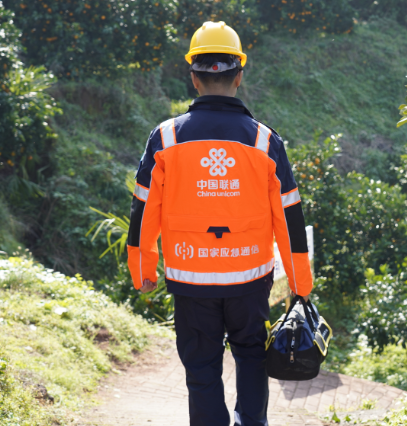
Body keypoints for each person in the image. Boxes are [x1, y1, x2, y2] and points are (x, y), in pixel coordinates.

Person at [126, 21, 313, 426]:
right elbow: (290, 219)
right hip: (249, 280)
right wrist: (301, 283)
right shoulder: (265, 142)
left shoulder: (167, 139)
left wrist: (142, 269)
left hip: (191, 281)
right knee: (250, 355)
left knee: (201, 368)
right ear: (239, 77)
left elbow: (144, 211)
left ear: (194, 78)